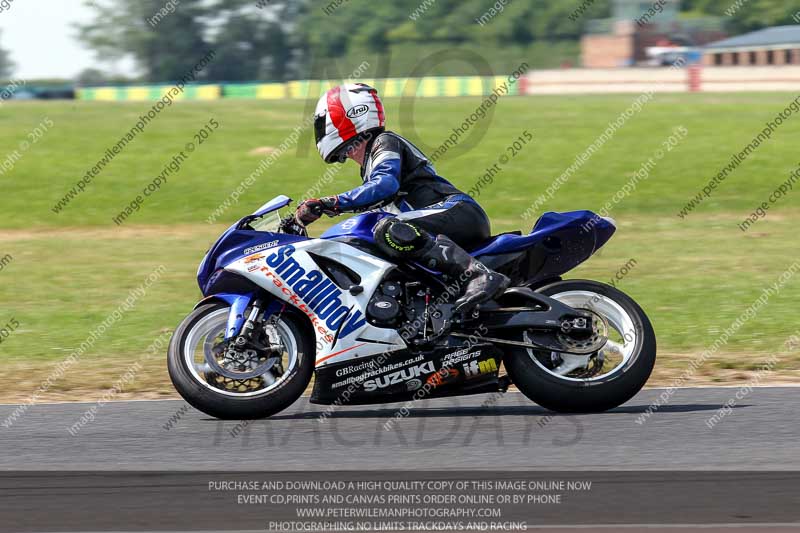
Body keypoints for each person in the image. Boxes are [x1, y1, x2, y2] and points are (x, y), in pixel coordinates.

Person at [296, 83, 509, 314]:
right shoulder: (371, 160)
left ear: (347, 115)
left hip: (456, 211)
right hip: (438, 222)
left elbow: (384, 185)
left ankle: (478, 275)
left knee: (386, 229)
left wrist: (332, 202)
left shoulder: (384, 141)